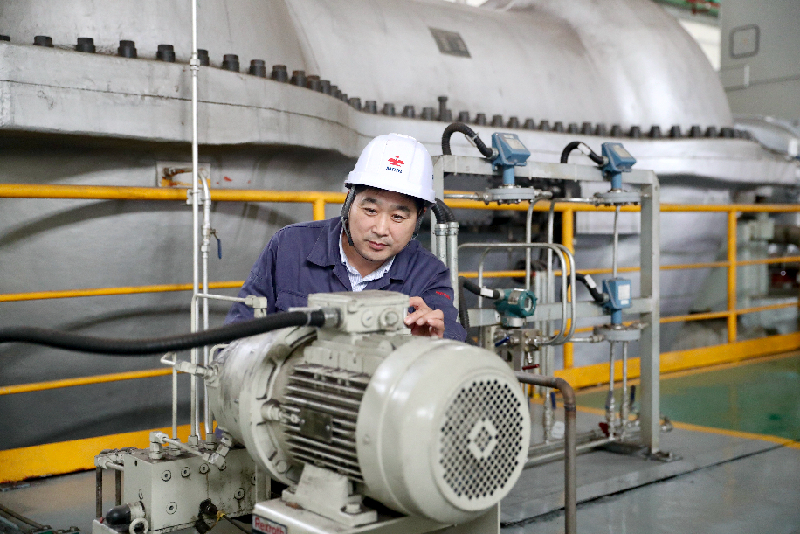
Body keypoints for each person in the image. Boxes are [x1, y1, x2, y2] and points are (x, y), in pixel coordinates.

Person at [225, 133, 466, 342]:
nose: (381, 229)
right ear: (349, 201)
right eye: (370, 210)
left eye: (398, 217)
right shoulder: (290, 247)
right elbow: (236, 334)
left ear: (419, 218)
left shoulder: (428, 275)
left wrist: (435, 341)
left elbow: (452, 337)